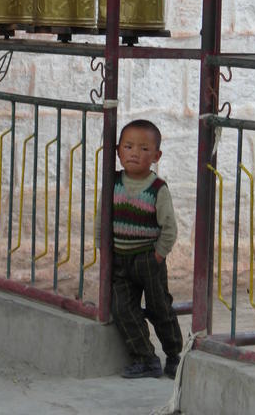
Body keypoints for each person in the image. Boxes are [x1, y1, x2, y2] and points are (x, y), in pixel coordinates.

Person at [95, 119, 183, 379]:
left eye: (144, 149)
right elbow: (102, 218)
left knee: (159, 308)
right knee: (122, 309)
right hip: (120, 260)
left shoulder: (158, 189)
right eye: (128, 146)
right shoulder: (113, 182)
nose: (135, 153)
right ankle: (145, 358)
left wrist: (158, 254)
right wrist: (103, 249)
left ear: (156, 156)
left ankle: (176, 354)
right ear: (118, 151)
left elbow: (169, 227)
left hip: (148, 259)